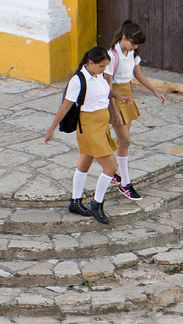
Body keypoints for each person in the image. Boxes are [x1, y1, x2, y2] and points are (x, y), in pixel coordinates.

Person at [44, 46, 131, 225]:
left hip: (101, 126)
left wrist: (119, 96)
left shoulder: (97, 76)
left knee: (84, 163)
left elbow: (105, 92)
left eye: (105, 67)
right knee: (111, 167)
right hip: (90, 128)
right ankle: (96, 204)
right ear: (90, 63)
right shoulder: (78, 80)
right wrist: (52, 128)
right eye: (100, 67)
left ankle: (75, 202)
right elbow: (65, 106)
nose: (103, 70)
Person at [104, 20, 165, 200]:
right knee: (126, 140)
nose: (135, 47)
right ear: (124, 38)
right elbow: (107, 87)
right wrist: (114, 112)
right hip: (115, 97)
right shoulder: (111, 55)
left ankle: (112, 170)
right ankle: (125, 183)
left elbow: (137, 73)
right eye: (133, 43)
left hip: (127, 95)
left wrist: (154, 90)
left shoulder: (131, 52)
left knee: (122, 141)